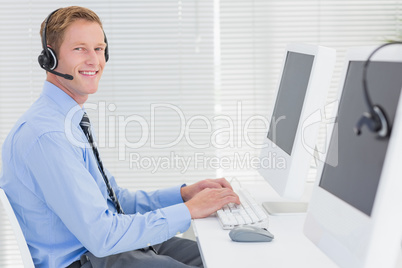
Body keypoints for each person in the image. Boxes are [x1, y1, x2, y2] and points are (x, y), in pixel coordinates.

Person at [0, 6, 239, 268]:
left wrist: (183, 196)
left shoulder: (65, 120)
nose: (94, 60)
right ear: (50, 57)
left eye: (99, 49)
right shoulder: (47, 135)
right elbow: (103, 235)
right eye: (80, 48)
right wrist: (189, 211)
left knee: (226, 257)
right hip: (87, 259)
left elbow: (115, 202)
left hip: (107, 249)